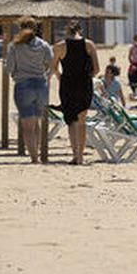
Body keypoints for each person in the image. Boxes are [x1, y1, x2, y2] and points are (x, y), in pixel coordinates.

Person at [3, 16, 53, 165]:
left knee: (27, 126)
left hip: (23, 85)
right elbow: (51, 65)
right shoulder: (44, 45)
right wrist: (44, 76)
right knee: (36, 122)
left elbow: (9, 69)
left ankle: (34, 158)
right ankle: (36, 152)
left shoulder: (15, 46)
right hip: (41, 85)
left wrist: (12, 71)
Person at [50, 21, 100, 166]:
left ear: (67, 30)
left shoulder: (59, 46)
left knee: (71, 120)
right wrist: (86, 76)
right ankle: (80, 157)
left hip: (68, 84)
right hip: (84, 84)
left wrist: (60, 76)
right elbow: (96, 69)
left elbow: (53, 67)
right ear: (80, 30)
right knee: (82, 121)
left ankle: (74, 155)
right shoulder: (89, 45)